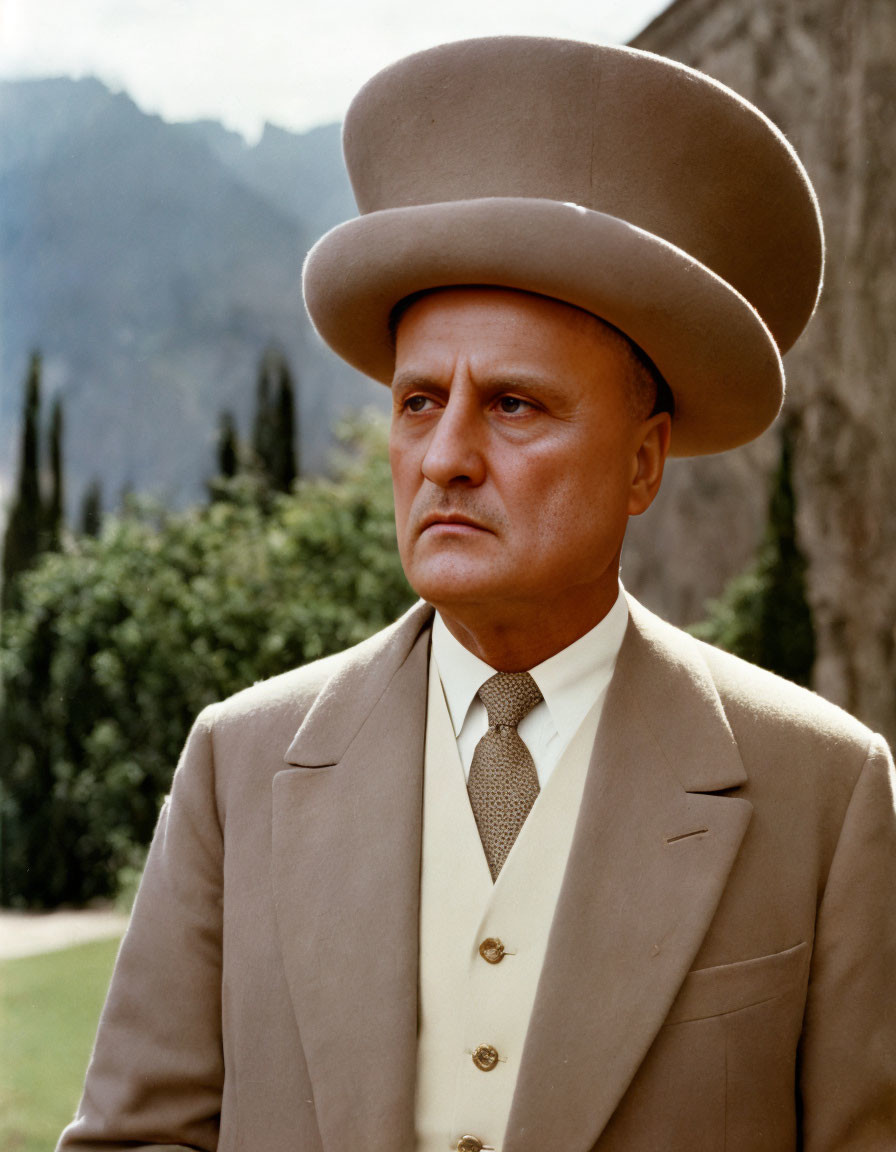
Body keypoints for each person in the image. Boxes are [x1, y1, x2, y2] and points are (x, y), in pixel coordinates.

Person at [59, 36, 895, 1152]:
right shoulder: (238, 762)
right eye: (416, 402)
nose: (443, 455)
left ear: (642, 463)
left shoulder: (823, 792)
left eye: (511, 405)